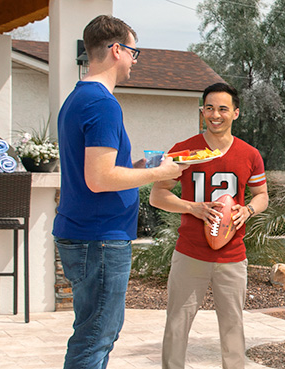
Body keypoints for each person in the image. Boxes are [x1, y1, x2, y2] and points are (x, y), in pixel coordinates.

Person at [53, 15, 187, 369]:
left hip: (86, 234)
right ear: (116, 50)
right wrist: (160, 173)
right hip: (99, 238)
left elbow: (99, 169)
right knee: (96, 337)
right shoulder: (102, 104)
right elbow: (99, 179)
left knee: (93, 332)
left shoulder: (78, 98)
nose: (133, 60)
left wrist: (141, 165)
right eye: (133, 52)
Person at [150, 82, 269, 368]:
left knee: (233, 327)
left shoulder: (249, 154)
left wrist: (248, 210)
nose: (216, 115)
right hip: (190, 252)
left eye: (223, 109)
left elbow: (262, 195)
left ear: (236, 113)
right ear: (202, 111)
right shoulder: (184, 150)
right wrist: (192, 207)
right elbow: (157, 195)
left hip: (232, 255)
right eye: (210, 108)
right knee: (177, 324)